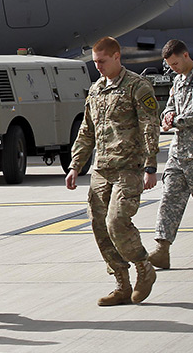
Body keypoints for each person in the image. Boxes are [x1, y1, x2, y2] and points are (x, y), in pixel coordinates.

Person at [66, 36, 160, 305]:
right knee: (99, 227)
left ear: (117, 56)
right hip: (101, 170)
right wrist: (75, 165)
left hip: (128, 169)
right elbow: (87, 131)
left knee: (116, 223)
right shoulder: (95, 90)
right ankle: (121, 284)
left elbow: (149, 126)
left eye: (102, 61)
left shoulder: (137, 86)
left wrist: (150, 166)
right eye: (95, 62)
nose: (98, 67)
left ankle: (144, 267)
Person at [148, 39, 193, 269]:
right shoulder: (178, 81)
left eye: (175, 63)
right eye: (170, 65)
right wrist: (167, 115)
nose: (173, 68)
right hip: (179, 153)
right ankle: (161, 249)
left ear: (185, 56)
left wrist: (173, 121)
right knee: (169, 200)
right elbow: (170, 106)